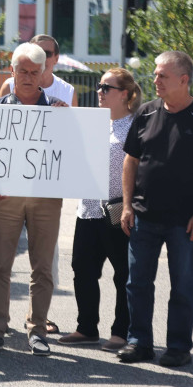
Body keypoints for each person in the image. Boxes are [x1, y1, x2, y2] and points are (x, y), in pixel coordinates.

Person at [118, 51, 193, 367]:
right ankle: (139, 342)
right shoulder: (146, 113)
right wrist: (127, 206)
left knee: (182, 286)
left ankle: (178, 347)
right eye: (154, 74)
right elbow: (131, 160)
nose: (155, 81)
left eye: (162, 76)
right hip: (143, 216)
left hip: (185, 221)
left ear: (184, 80)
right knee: (137, 283)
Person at [0, 43, 64, 356]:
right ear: (11, 72)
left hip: (46, 200)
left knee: (42, 268)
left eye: (33, 72)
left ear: (43, 75)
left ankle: (37, 330)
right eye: (21, 71)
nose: (27, 77)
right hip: (6, 199)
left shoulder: (59, 111)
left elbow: (72, 158)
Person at [59, 68, 141, 351]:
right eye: (99, 86)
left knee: (123, 274)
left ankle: (121, 331)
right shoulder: (91, 123)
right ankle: (86, 328)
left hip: (118, 210)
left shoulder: (134, 127)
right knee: (82, 269)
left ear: (125, 94)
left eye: (107, 87)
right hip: (88, 209)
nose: (100, 91)